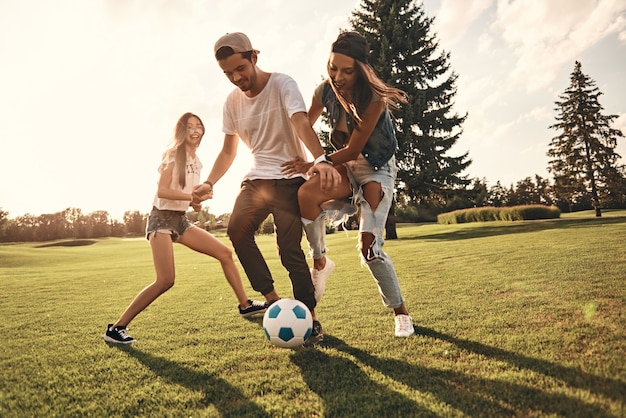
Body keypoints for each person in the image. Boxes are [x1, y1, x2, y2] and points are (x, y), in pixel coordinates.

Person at [192, 32, 341, 347]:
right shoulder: (232, 102)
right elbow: (228, 151)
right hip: (258, 177)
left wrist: (320, 159)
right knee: (236, 230)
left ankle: (311, 319)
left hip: (289, 178)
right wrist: (209, 182)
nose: (236, 78)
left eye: (239, 69)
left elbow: (301, 122)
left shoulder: (282, 84)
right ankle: (273, 299)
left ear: (253, 57)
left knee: (289, 249)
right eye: (228, 74)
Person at [282, 31, 415, 337]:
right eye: (332, 68)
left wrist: (318, 161)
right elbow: (303, 125)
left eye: (346, 70)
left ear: (361, 69)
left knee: (369, 247)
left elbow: (355, 150)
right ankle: (320, 262)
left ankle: (401, 314)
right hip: (341, 164)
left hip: (375, 169)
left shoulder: (374, 100)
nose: (337, 76)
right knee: (306, 193)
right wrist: (303, 159)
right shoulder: (324, 91)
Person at [104, 112, 267, 344]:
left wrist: (199, 199)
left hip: (180, 220)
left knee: (225, 253)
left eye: (199, 126)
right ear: (182, 131)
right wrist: (192, 197)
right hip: (160, 219)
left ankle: (245, 305)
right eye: (189, 126)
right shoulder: (172, 156)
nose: (195, 130)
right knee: (165, 280)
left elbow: (189, 200)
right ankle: (116, 328)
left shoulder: (197, 162)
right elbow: (162, 191)